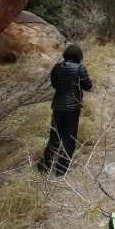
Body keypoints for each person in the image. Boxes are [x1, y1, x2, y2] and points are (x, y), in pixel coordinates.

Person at [37, 44, 93, 176]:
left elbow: (54, 84)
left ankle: (45, 165)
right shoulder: (80, 68)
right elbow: (88, 86)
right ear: (79, 55)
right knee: (69, 138)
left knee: (54, 136)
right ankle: (61, 169)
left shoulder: (57, 67)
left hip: (58, 106)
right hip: (73, 108)